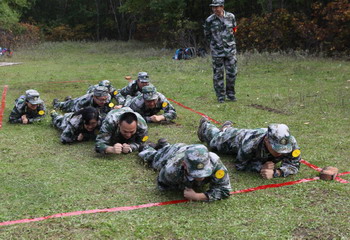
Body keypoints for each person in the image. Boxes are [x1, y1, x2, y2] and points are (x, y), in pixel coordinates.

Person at [198, 118, 301, 179]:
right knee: (215, 142)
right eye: (276, 148)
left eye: (283, 149)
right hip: (238, 140)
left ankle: (227, 128)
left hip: (250, 137)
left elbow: (294, 165)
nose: (280, 152)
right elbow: (240, 165)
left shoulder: (290, 142)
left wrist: (276, 172)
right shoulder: (250, 143)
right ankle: (206, 125)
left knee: (225, 134)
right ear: (266, 140)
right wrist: (260, 167)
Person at [139, 142, 231, 201]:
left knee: (162, 150)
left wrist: (198, 196)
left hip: (189, 151)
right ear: (184, 165)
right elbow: (162, 184)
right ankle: (148, 147)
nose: (200, 177)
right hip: (174, 153)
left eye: (204, 171)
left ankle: (164, 145)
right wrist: (184, 186)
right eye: (196, 173)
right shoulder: (172, 169)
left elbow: (225, 189)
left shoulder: (215, 163)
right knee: (154, 160)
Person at [204, 0, 238, 103]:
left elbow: (235, 29)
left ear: (222, 7)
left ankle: (231, 95)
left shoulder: (231, 17)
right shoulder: (209, 20)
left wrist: (229, 41)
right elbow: (207, 34)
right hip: (217, 52)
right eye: (213, 7)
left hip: (230, 50)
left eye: (217, 7)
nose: (215, 9)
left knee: (232, 73)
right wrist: (215, 44)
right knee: (218, 75)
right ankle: (220, 96)